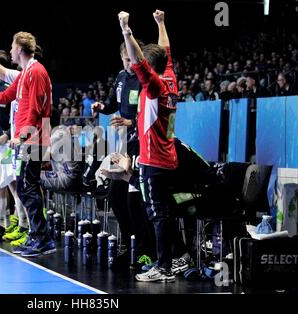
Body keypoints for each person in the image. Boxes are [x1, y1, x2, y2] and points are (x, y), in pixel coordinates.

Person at [0, 31, 54, 257]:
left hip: (32, 140)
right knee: (26, 187)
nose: (10, 50)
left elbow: (34, 109)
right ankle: (38, 235)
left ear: (20, 50)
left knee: (27, 187)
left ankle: (42, 238)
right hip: (27, 139)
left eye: (13, 47)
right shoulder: (25, 73)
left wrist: (21, 136)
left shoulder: (36, 72)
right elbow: (4, 97)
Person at [118, 9, 178, 282]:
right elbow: (165, 48)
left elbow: (139, 61)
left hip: (153, 160)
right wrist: (161, 23)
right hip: (167, 156)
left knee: (158, 213)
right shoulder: (169, 75)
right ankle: (171, 260)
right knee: (163, 212)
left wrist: (125, 29)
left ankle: (163, 266)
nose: (131, 63)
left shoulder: (153, 85)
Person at [91, 38, 156, 267]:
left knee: (134, 201)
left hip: (141, 145)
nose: (129, 63)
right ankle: (132, 246)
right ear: (121, 57)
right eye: (126, 59)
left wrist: (131, 123)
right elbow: (112, 103)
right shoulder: (120, 78)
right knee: (116, 199)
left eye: (132, 59)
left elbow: (149, 115)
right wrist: (102, 106)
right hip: (124, 146)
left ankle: (147, 251)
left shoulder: (145, 79)